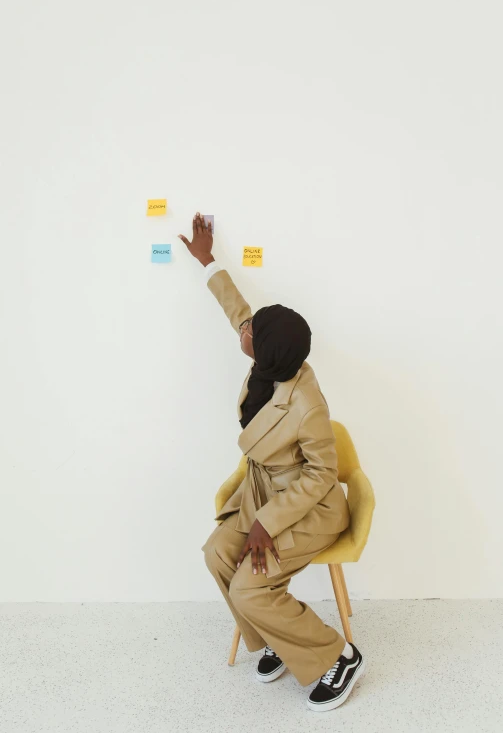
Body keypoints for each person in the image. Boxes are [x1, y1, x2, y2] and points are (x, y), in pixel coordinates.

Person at [178, 213, 365, 712]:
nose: (244, 334)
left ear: (269, 354)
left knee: (251, 587)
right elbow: (236, 309)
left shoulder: (307, 404)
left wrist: (266, 522)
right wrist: (207, 260)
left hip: (309, 507)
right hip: (263, 491)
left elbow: (323, 474)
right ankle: (274, 642)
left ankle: (337, 656)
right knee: (217, 554)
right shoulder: (270, 358)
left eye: (252, 335)